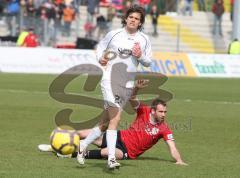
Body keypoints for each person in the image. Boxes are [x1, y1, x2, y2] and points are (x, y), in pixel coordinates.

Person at [38, 80, 187, 166]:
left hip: (127, 152)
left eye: (165, 112)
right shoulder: (144, 111)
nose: (163, 115)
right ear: (153, 111)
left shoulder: (164, 129)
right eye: (161, 112)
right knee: (83, 133)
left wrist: (179, 160)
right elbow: (132, 98)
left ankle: (67, 154)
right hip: (118, 136)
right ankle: (54, 145)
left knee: (106, 153)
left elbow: (172, 147)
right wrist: (136, 88)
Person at [77, 5, 152, 169]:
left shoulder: (144, 39)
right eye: (131, 17)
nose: (133, 20)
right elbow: (101, 47)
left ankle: (83, 145)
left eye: (137, 19)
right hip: (109, 79)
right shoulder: (114, 34)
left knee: (104, 123)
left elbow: (148, 62)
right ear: (125, 19)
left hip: (126, 84)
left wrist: (141, 56)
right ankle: (111, 158)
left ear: (140, 23)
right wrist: (100, 58)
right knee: (116, 118)